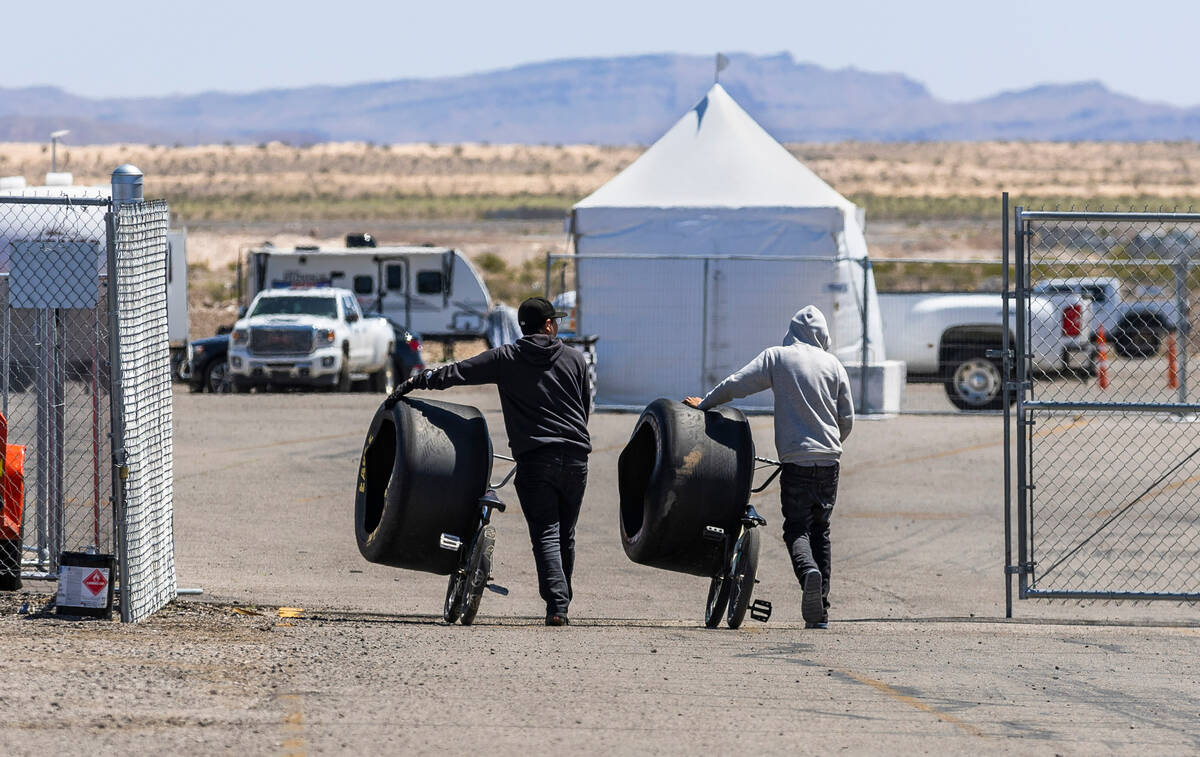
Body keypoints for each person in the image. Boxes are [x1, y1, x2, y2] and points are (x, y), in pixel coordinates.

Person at [386, 296, 591, 626]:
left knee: (547, 533)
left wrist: (416, 381)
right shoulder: (575, 360)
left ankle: (557, 606)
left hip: (537, 459)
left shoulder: (507, 358)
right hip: (577, 458)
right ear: (550, 325)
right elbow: (584, 407)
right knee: (565, 533)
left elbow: (456, 372)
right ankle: (560, 601)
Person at [684, 305, 853, 629]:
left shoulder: (778, 357)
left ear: (792, 331)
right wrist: (833, 444)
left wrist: (705, 403)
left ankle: (808, 573)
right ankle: (821, 612)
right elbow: (846, 417)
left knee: (796, 529)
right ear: (823, 335)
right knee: (821, 529)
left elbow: (738, 383)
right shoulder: (834, 365)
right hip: (829, 460)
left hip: (797, 460)